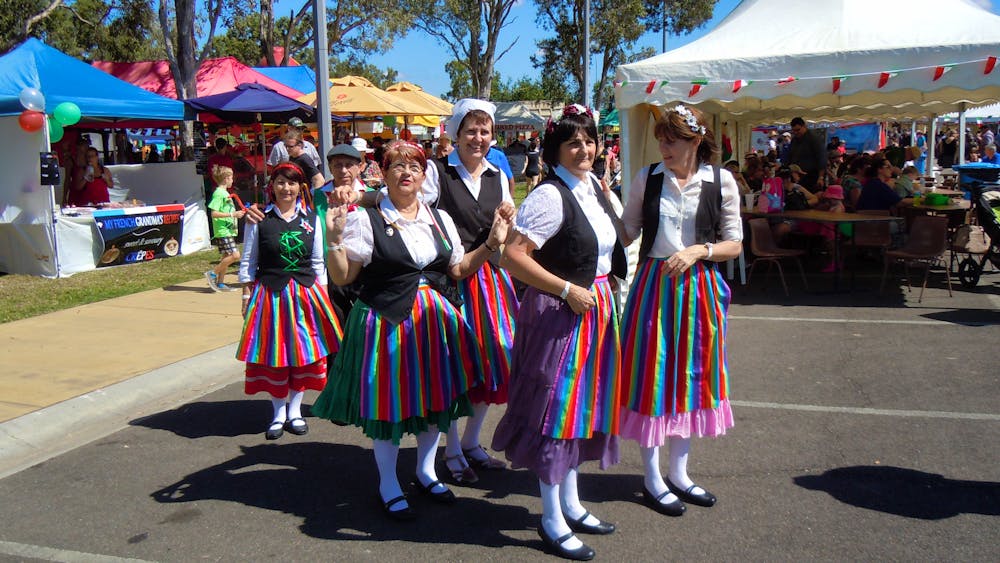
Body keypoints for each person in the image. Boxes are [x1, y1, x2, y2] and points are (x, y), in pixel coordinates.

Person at [313, 141, 513, 520]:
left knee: (434, 399)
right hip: (386, 322)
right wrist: (334, 238)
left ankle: (425, 470)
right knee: (389, 404)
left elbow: (457, 269)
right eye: (397, 166)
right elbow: (343, 277)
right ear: (383, 174)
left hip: (434, 322)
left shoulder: (439, 219)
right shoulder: (363, 219)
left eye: (414, 167)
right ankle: (388, 481)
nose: (406, 173)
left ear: (424, 176)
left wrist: (490, 242)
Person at [492, 104, 626, 561]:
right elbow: (514, 255)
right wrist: (567, 288)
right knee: (556, 411)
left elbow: (613, 246)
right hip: (560, 313)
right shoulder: (550, 195)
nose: (583, 148)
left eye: (589, 139)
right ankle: (551, 517)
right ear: (554, 150)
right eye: (573, 142)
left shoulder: (593, 188)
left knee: (581, 410)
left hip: (596, 307)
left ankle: (571, 503)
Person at [617, 104, 741, 522]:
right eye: (661, 138)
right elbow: (628, 230)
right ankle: (652, 476)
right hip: (654, 287)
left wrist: (698, 251)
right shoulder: (647, 178)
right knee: (652, 378)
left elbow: (734, 243)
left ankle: (679, 472)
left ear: (695, 141)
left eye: (672, 139)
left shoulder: (720, 181)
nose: (663, 146)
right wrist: (599, 206)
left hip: (699, 290)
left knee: (692, 378)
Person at [423, 98, 519, 484]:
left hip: (491, 281)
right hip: (452, 278)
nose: (478, 138)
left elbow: (508, 230)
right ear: (456, 133)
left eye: (485, 131)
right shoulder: (438, 172)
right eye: (471, 130)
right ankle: (451, 449)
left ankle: (472, 441)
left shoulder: (498, 175)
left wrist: (509, 226)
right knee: (454, 365)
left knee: (491, 362)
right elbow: (418, 213)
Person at [236, 163, 342, 440]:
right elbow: (248, 260)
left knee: (303, 355)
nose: (286, 188)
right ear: (272, 186)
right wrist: (246, 295)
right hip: (271, 296)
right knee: (276, 356)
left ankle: (295, 411)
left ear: (300, 187)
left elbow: (319, 261)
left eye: (292, 183)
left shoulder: (311, 220)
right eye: (281, 182)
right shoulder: (258, 219)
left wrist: (324, 298)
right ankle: (277, 413)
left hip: (306, 295)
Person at [205, 165, 245, 291]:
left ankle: (220, 283)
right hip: (223, 231)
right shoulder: (219, 194)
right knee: (235, 255)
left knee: (226, 256)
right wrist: (233, 214)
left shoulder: (225, 193)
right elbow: (214, 213)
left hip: (228, 229)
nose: (233, 180)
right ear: (226, 178)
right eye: (231, 177)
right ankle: (212, 273)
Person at [786, 117, 826, 190]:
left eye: (798, 130)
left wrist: (821, 177)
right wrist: (791, 171)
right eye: (793, 130)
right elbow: (790, 157)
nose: (795, 132)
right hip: (797, 176)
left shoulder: (814, 139)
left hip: (812, 176)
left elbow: (821, 158)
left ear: (804, 126)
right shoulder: (794, 140)